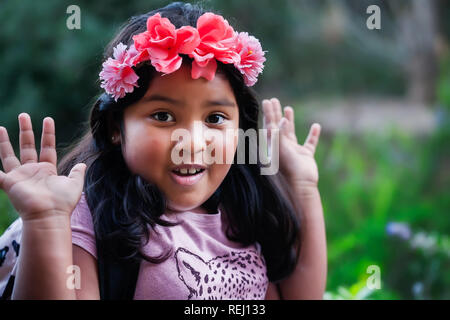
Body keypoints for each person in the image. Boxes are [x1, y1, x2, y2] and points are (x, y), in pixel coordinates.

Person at [0, 2, 327, 300]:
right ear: (117, 127)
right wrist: (45, 223)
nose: (193, 142)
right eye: (163, 116)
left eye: (215, 118)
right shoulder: (88, 214)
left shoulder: (243, 210)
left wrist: (303, 187)